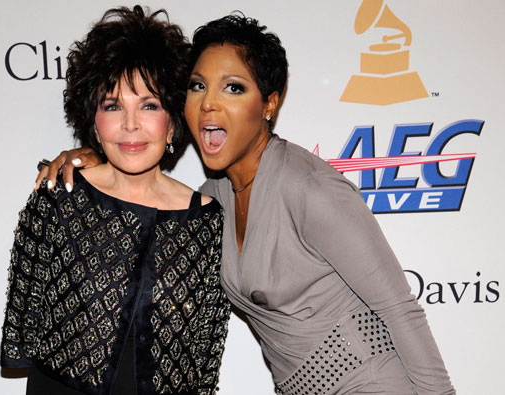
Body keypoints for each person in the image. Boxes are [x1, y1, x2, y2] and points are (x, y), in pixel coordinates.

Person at [39, 12, 456, 395]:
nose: (210, 103)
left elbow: (401, 310)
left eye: (233, 87)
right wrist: (100, 157)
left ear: (269, 104)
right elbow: (150, 194)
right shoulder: (213, 197)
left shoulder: (309, 188)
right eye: (198, 85)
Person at [1, 6, 229, 395]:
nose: (130, 124)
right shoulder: (59, 199)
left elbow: (204, 353)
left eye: (149, 105)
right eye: (113, 105)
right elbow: (25, 323)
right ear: (93, 120)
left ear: (173, 120)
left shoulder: (206, 221)